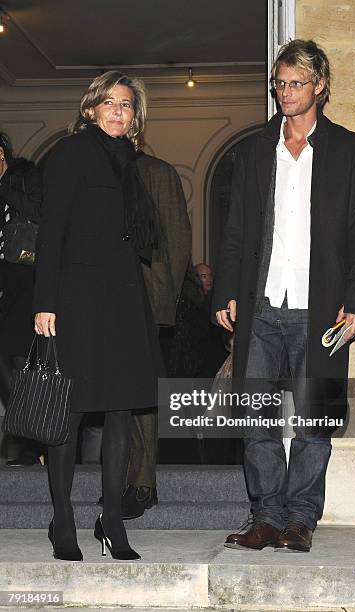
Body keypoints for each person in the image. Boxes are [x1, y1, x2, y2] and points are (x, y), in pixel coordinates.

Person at [213, 39, 355, 553]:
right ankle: (265, 516)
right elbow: (236, 229)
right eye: (280, 83)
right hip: (261, 306)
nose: (285, 92)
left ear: (319, 86)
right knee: (256, 418)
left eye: (296, 83)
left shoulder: (351, 151)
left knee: (314, 420)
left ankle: (300, 519)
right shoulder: (251, 149)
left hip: (321, 308)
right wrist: (227, 290)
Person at [33, 70, 162, 561]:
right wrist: (45, 302)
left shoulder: (131, 164)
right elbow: (53, 231)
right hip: (78, 301)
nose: (117, 111)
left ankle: (111, 522)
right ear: (90, 109)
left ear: (135, 117)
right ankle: (62, 522)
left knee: (120, 413)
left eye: (126, 105)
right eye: (108, 102)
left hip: (124, 300)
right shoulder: (71, 153)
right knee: (69, 411)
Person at [122, 150, 191, 518]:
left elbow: (177, 236)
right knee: (117, 394)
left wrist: (165, 301)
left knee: (142, 391)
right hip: (104, 298)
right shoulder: (94, 170)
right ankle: (127, 477)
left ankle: (143, 482)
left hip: (144, 297)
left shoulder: (156, 170)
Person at [0, 132, 43, 466]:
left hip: (23, 278)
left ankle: (27, 438)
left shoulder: (22, 176)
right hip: (5, 284)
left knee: (15, 358)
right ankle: (27, 433)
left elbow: (39, 212)